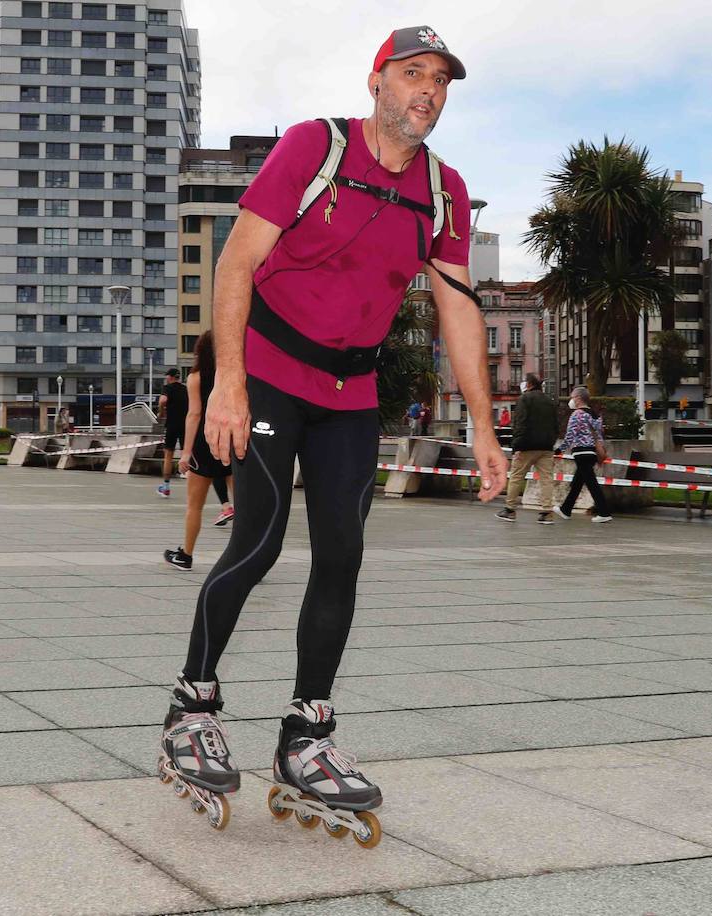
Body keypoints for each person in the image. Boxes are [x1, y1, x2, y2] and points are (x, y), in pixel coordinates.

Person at [156, 25, 504, 840]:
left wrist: (486, 426)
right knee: (259, 543)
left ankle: (306, 735)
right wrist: (229, 384)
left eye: (442, 82)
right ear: (377, 80)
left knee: (342, 555)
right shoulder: (317, 148)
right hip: (273, 369)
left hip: (353, 391)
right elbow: (235, 263)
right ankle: (191, 704)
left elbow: (458, 306)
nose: (428, 90)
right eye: (413, 74)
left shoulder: (444, 191)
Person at [164, 334, 236, 570]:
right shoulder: (235, 373)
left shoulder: (196, 377)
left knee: (195, 506)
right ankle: (246, 559)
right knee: (243, 506)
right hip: (232, 442)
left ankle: (186, 555)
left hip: (205, 444)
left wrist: (185, 453)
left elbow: (194, 414)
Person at [496, 374, 559, 524]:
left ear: (529, 384)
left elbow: (520, 423)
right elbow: (556, 424)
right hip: (546, 447)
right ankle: (546, 512)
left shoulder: (524, 399)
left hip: (526, 446)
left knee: (517, 476)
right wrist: (552, 441)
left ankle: (510, 509)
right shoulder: (549, 401)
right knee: (546, 479)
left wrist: (516, 445)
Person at [553, 387, 613, 523]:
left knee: (591, 483)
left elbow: (569, 436)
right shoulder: (596, 415)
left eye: (572, 397)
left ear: (579, 398)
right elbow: (599, 436)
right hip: (592, 453)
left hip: (581, 451)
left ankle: (604, 512)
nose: (571, 400)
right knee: (578, 482)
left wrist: (559, 450)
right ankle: (566, 509)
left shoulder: (577, 414)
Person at [158, 367, 187, 497]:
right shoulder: (185, 389)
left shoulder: (167, 388)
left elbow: (163, 400)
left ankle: (166, 487)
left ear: (170, 377)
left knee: (168, 455)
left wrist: (161, 411)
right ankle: (191, 483)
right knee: (186, 454)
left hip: (171, 425)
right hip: (186, 425)